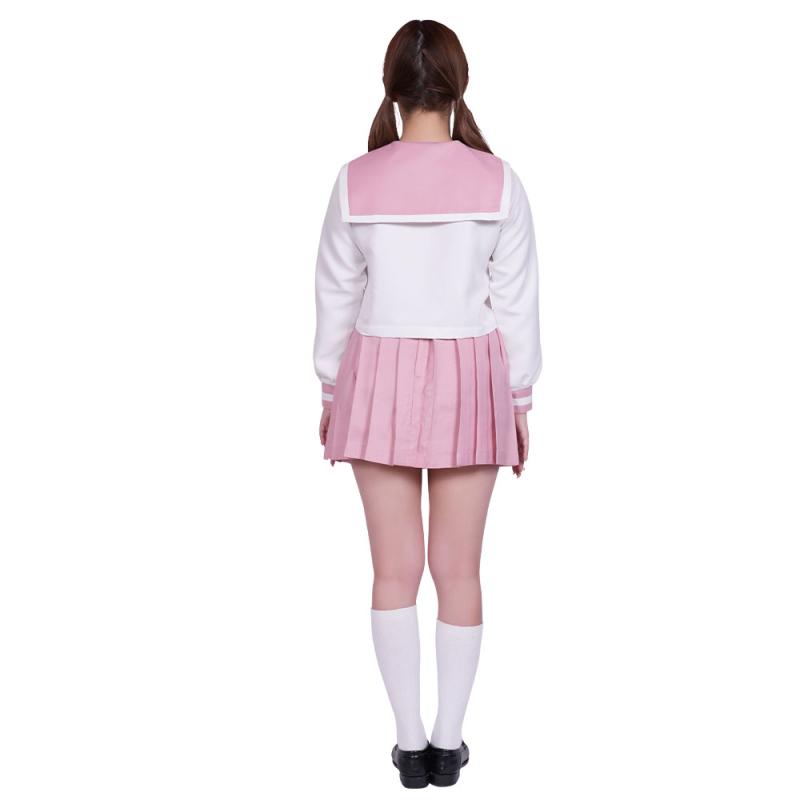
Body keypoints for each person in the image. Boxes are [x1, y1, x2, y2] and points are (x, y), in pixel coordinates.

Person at [312, 19, 542, 789]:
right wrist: (519, 400)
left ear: (392, 89)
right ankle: (448, 742)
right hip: (472, 377)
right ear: (457, 86)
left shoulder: (355, 180)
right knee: (459, 571)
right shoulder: (499, 181)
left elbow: (335, 297)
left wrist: (331, 391)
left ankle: (408, 743)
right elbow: (516, 305)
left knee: (393, 572)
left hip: (375, 373)